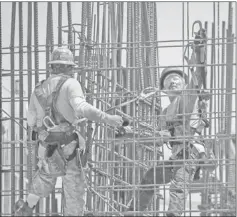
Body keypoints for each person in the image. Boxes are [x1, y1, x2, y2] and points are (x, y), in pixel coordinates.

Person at [14, 47, 123, 216]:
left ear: (53, 66)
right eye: (71, 67)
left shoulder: (38, 89)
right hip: (68, 145)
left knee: (45, 177)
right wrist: (108, 118)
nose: (72, 70)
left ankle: (26, 208)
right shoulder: (71, 84)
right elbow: (82, 108)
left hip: (47, 144)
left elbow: (31, 121)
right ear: (67, 67)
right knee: (73, 187)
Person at [125, 39, 216, 216]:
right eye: (168, 81)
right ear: (164, 89)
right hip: (177, 155)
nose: (172, 82)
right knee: (152, 176)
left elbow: (198, 77)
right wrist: (133, 134)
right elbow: (161, 139)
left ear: (184, 84)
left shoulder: (188, 98)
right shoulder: (165, 112)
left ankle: (173, 214)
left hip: (190, 152)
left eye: (176, 79)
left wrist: (199, 53)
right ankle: (133, 212)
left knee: (178, 187)